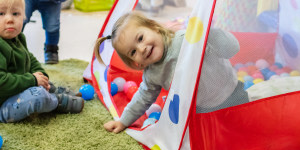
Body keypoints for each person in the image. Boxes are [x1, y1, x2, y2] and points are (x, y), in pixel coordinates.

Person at [94, 12, 250, 133]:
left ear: (154, 28)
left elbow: (232, 49)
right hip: (202, 109)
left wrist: (211, 34)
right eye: (133, 52)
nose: (142, 49)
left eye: (141, 38)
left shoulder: (185, 39)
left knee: (246, 129)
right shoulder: (152, 74)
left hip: (232, 93)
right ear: (136, 62)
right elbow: (143, 97)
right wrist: (123, 121)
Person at [0, 0, 84, 123]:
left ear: (24, 16)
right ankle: (56, 101)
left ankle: (53, 90)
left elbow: (29, 59)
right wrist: (32, 80)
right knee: (38, 95)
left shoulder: (17, 37)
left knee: (41, 81)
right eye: (1, 13)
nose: (9, 19)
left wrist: (41, 75)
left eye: (15, 13)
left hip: (14, 91)